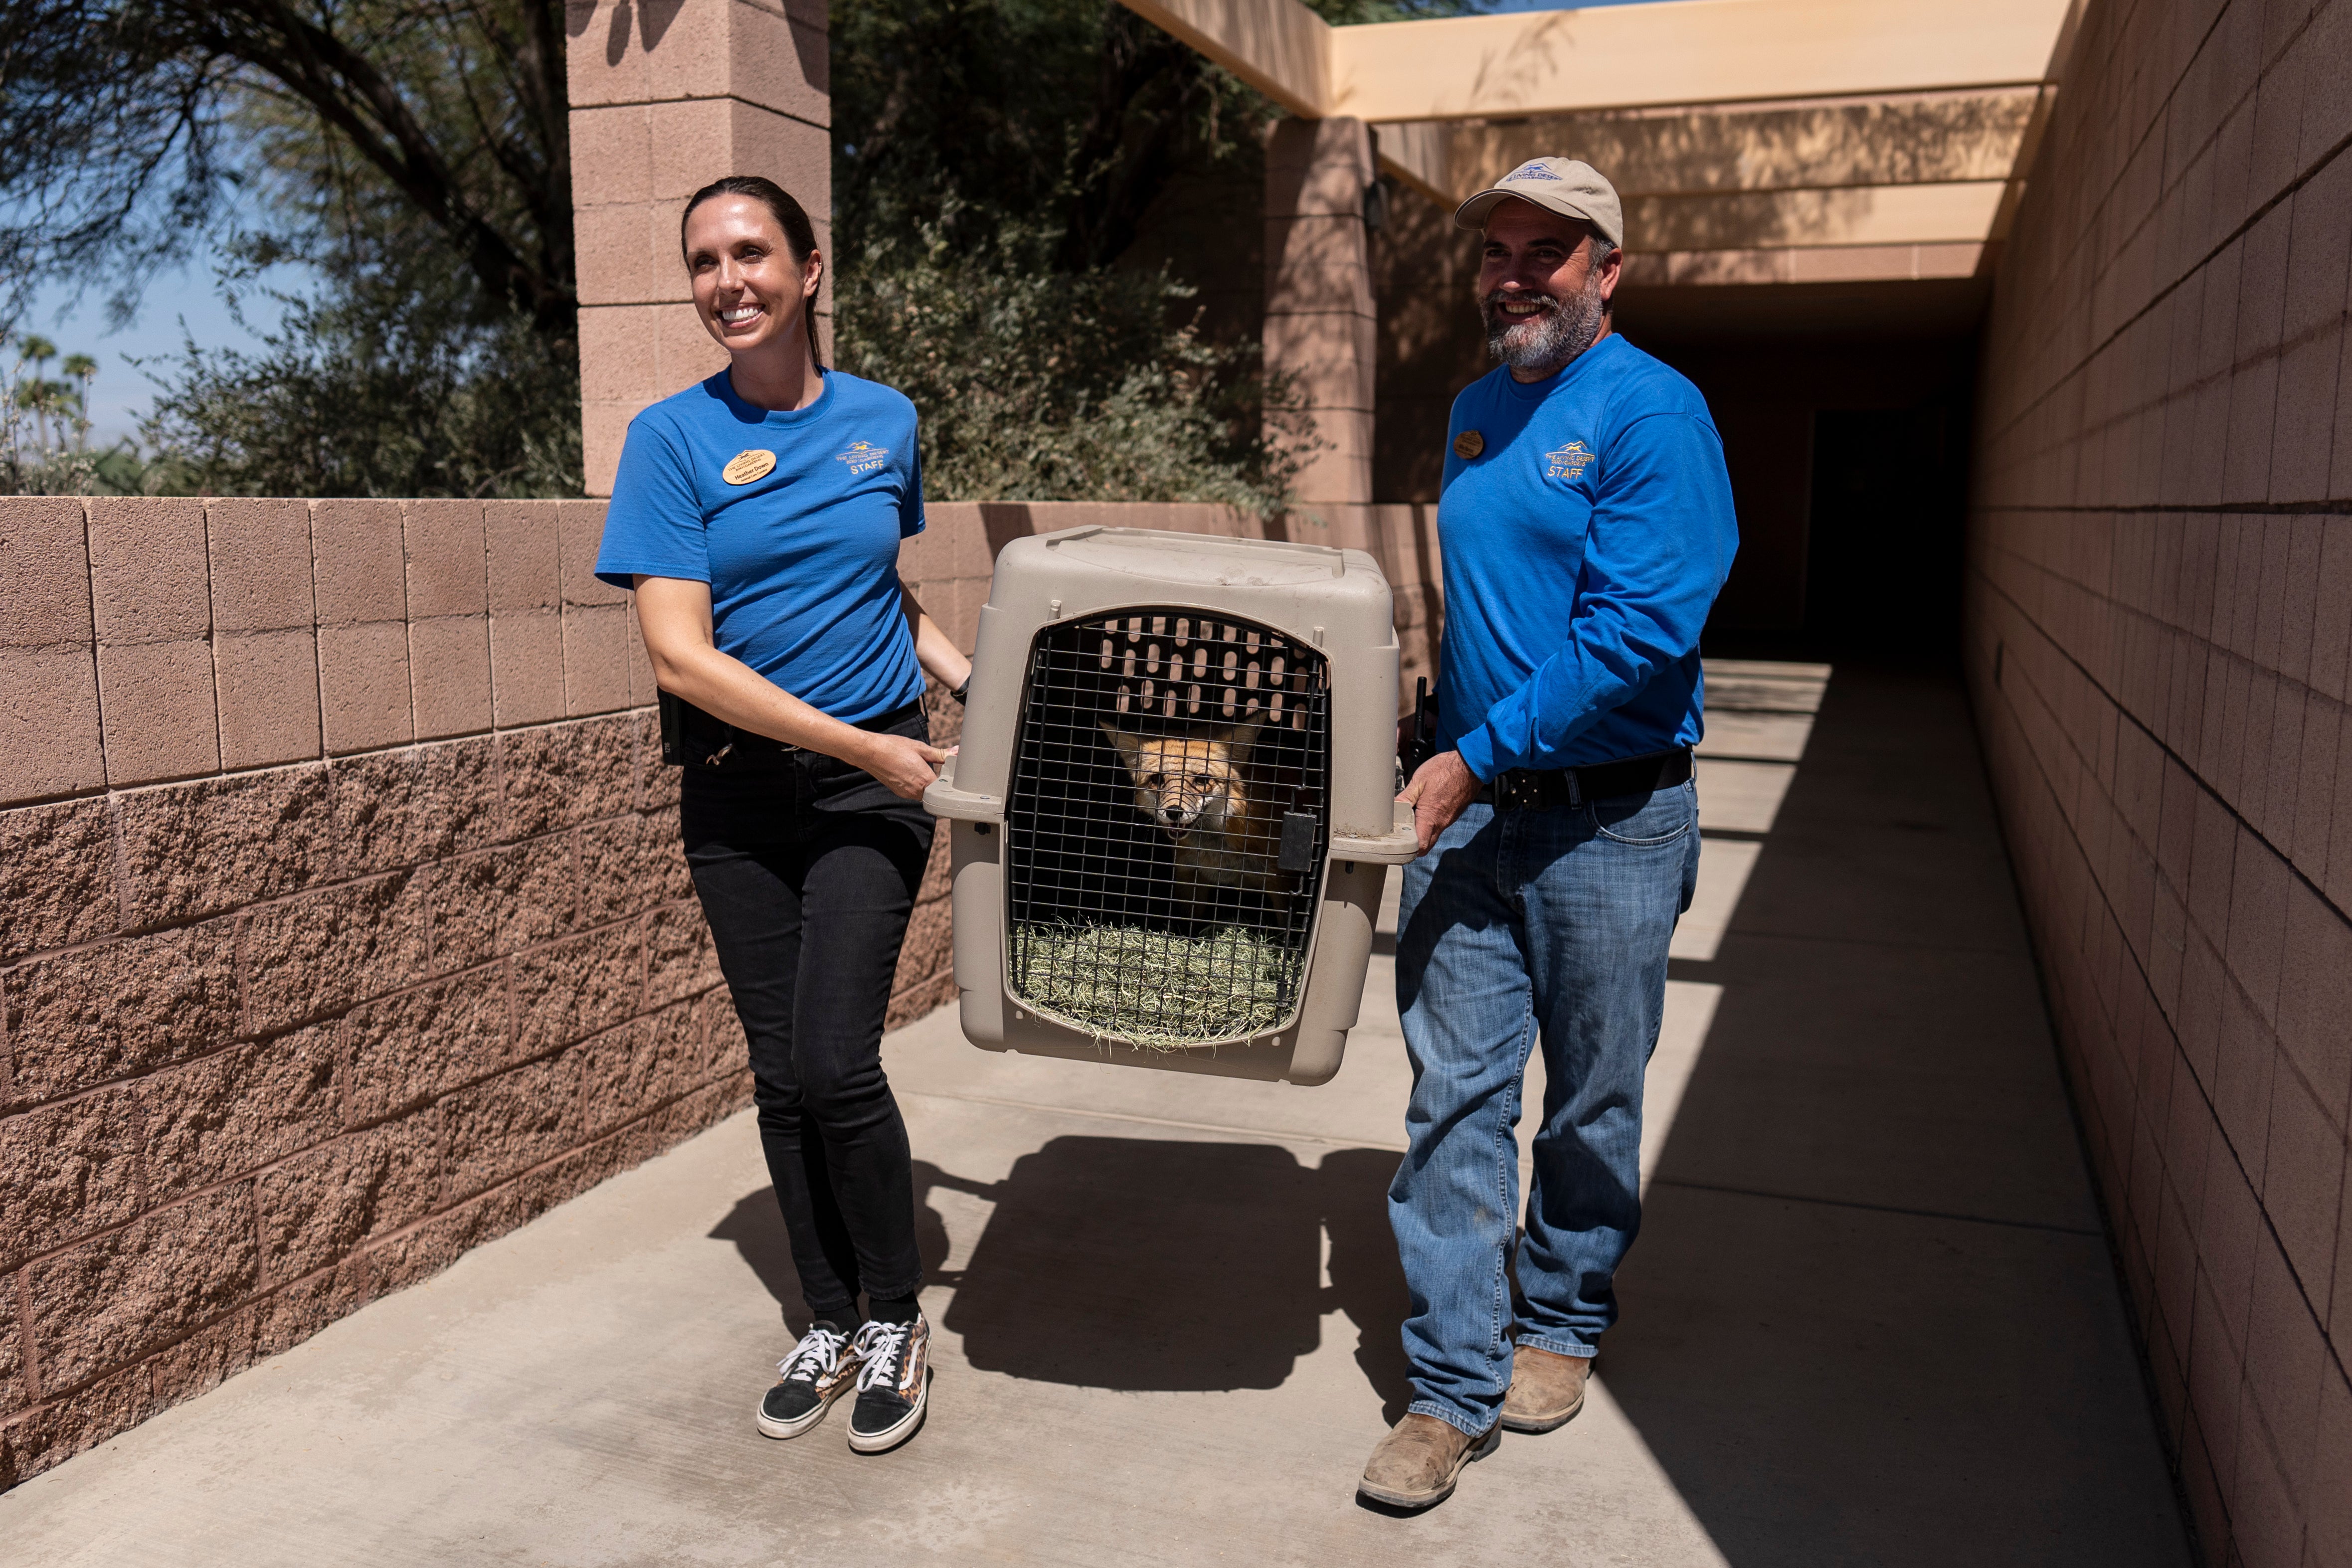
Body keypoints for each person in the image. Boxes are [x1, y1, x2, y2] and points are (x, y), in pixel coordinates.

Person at [1361, 159, 1739, 1509]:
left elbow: (1642, 633)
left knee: (1589, 1093)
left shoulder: (1651, 412)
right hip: (1472, 819)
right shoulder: (1474, 411)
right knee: (1449, 1096)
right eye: (1498, 253)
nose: (1514, 276)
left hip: (1612, 821)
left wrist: (1480, 750)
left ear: (1605, 271)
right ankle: (1448, 1387)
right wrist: (1431, 741)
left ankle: (1561, 1316)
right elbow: (1490, 613)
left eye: (1546, 253)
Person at [593, 174, 972, 1456]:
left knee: (834, 1060)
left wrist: (974, 678)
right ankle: (824, 1317)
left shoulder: (885, 420)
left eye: (751, 253)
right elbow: (681, 662)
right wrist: (869, 739)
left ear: (811, 271)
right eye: (704, 261)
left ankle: (895, 1317)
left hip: (876, 786)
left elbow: (881, 582)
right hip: (741, 792)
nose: (726, 280)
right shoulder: (670, 440)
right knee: (777, 1071)